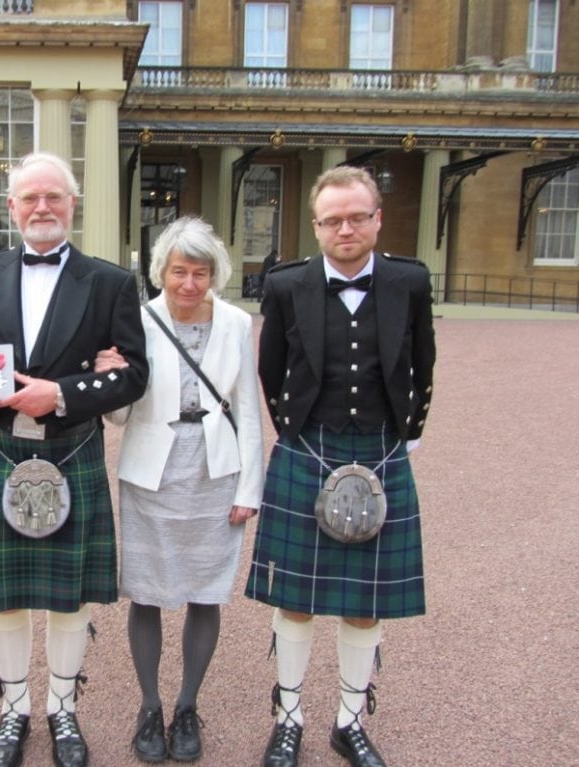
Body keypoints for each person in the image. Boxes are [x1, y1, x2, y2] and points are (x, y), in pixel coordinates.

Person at [0, 151, 149, 767]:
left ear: (72, 205)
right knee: (2, 596)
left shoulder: (110, 281)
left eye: (54, 197)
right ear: (12, 208)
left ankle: (63, 710)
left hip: (72, 447)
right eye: (29, 198)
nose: (42, 208)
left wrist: (60, 394)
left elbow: (134, 374)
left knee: (67, 597)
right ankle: (13, 711)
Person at [245, 166, 436, 767]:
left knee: (366, 602)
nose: (345, 228)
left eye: (358, 217)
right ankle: (289, 718)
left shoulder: (409, 281)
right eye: (333, 220)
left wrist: (407, 436)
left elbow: (423, 364)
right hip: (308, 449)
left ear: (377, 219)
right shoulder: (284, 286)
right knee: (295, 600)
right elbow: (270, 370)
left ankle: (349, 722)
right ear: (317, 226)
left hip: (381, 449)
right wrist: (297, 437)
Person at [102, 216, 264, 763]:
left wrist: (251, 487)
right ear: (161, 272)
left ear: (214, 273)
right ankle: (150, 706)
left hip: (215, 469)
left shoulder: (238, 324)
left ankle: (187, 705)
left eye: (200, 272)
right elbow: (120, 417)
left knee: (206, 589)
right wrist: (111, 378)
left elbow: (247, 409)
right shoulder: (138, 320)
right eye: (178, 271)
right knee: (146, 588)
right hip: (152, 469)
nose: (189, 283)